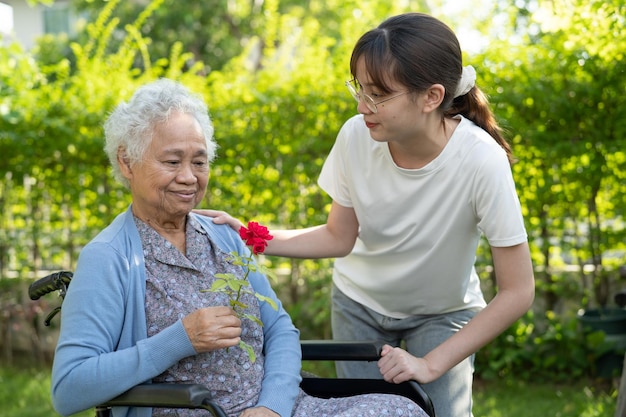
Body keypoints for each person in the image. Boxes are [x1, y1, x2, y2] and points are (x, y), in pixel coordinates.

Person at [201, 12, 535, 417]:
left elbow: (518, 291)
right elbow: (338, 236)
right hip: (358, 306)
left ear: (431, 97)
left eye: (378, 94)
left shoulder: (482, 160)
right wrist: (252, 237)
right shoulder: (356, 136)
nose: (362, 105)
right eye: (359, 89)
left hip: (444, 313)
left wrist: (430, 364)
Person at [50, 79, 427, 417]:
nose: (188, 176)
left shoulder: (224, 236)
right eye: (172, 161)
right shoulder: (109, 257)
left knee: (402, 410)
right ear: (127, 162)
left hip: (277, 408)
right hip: (197, 412)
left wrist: (272, 406)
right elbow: (68, 389)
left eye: (199, 161)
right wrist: (179, 339)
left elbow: (280, 329)